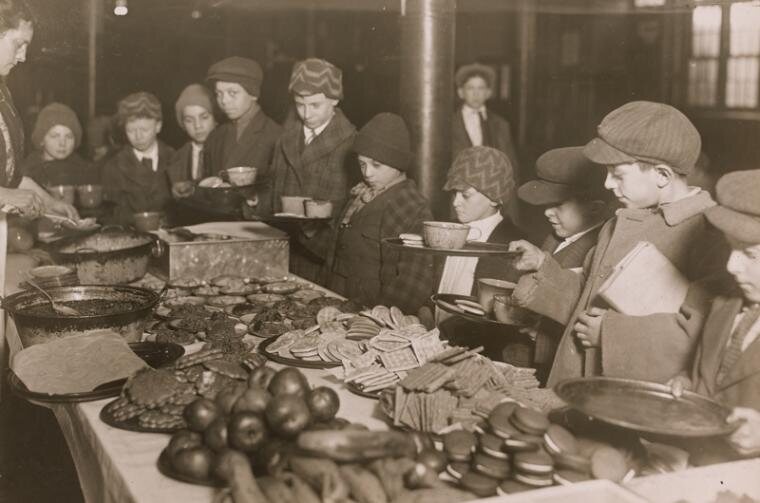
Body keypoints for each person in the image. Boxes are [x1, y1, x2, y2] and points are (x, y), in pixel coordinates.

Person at [509, 101, 728, 387]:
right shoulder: (618, 222)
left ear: (662, 175)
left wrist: (610, 334)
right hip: (575, 382)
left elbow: (705, 336)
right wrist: (543, 266)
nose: (608, 185)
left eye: (618, 174)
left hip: (630, 398)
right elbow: (587, 298)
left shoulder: (709, 236)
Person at [668, 170, 760, 461]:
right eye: (731, 248)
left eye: (752, 254)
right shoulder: (726, 301)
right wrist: (688, 381)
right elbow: (718, 375)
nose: (732, 265)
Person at [515, 146, 611, 382]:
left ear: (595, 208)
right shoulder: (555, 237)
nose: (547, 212)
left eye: (558, 204)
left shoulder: (598, 251)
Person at [427, 146, 527, 363]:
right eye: (454, 193)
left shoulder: (514, 245)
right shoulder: (446, 232)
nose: (455, 202)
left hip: (478, 357)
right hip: (434, 345)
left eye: (465, 195)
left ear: (495, 198)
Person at [327, 113, 434, 313]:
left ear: (398, 164)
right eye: (362, 164)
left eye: (377, 165)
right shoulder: (359, 195)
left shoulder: (410, 205)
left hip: (370, 310)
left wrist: (379, 317)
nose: (367, 173)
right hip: (339, 301)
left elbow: (412, 280)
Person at [270, 57, 357, 284]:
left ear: (335, 100)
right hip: (283, 251)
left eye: (315, 105)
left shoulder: (352, 144)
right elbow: (273, 192)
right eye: (300, 104)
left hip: (323, 259)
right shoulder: (284, 140)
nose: (306, 114)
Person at [203, 56, 282, 211]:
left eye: (232, 93)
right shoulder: (216, 136)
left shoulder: (277, 136)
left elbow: (280, 194)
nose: (224, 101)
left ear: (253, 94)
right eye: (219, 93)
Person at [102, 92, 175, 226]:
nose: (138, 136)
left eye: (144, 129)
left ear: (158, 126)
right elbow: (109, 215)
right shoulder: (113, 167)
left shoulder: (176, 159)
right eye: (131, 130)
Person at [451, 63, 519, 174]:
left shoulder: (501, 124)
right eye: (470, 88)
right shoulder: (449, 123)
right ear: (460, 92)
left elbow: (511, 165)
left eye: (481, 88)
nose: (476, 93)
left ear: (488, 93)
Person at [21, 102, 98, 188]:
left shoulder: (84, 171)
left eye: (69, 136)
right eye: (55, 136)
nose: (62, 143)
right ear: (41, 140)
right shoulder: (28, 172)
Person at [167, 83, 217, 198]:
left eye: (204, 117)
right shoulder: (176, 158)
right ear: (182, 124)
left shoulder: (228, 149)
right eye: (189, 120)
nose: (197, 126)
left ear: (215, 118)